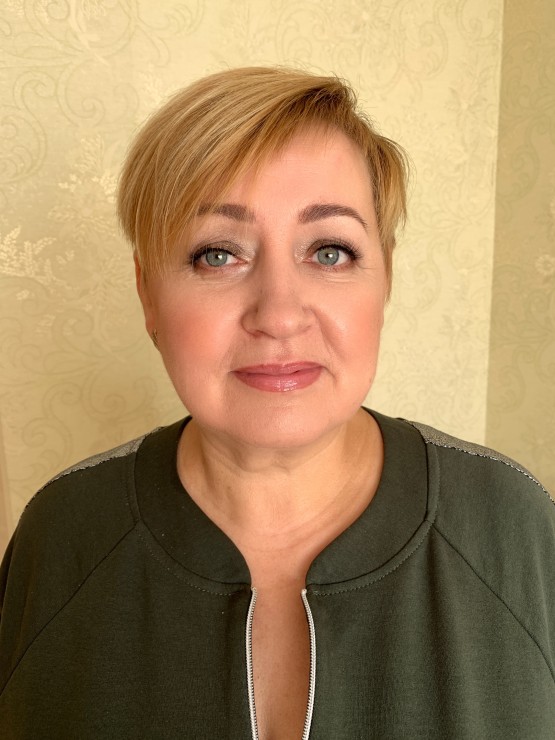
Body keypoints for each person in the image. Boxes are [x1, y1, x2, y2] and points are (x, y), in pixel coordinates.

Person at [0, 66, 553, 740]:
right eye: (217, 255)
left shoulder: (513, 527)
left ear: (385, 277)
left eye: (329, 252)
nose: (280, 314)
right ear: (147, 293)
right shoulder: (62, 536)